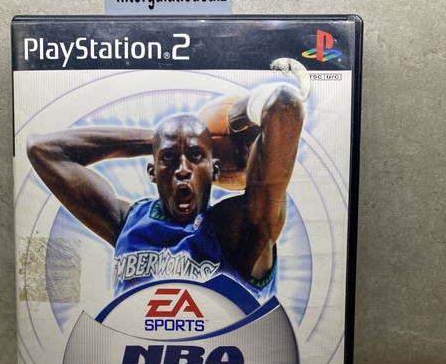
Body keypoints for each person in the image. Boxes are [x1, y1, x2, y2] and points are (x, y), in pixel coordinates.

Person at [27, 82, 304, 299]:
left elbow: (284, 103)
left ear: (215, 171)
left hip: (221, 354)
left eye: (195, 155)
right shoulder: (128, 222)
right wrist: (163, 136)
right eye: (169, 157)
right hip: (136, 353)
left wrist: (242, 111)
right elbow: (42, 149)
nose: (182, 169)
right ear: (152, 171)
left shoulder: (239, 227)